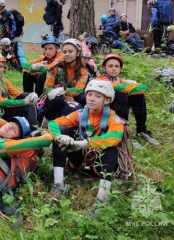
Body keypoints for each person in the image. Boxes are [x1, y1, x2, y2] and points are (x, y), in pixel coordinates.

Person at [46, 80, 124, 210]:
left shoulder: (112, 117)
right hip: (81, 160)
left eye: (98, 96)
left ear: (107, 100)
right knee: (62, 134)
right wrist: (60, 136)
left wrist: (86, 143)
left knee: (110, 146)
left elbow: (115, 136)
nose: (92, 99)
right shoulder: (80, 114)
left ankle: (102, 198)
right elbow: (54, 123)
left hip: (101, 163)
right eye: (89, 95)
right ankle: (59, 184)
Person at [97, 54, 159, 145]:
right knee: (122, 93)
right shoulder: (101, 79)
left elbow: (142, 89)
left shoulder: (119, 80)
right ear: (104, 68)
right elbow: (121, 87)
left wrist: (131, 86)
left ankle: (141, 130)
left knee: (138, 95)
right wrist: (131, 86)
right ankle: (123, 134)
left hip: (115, 110)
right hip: (103, 114)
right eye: (110, 66)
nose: (114, 68)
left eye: (117, 66)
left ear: (120, 69)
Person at [0, 52, 39, 127]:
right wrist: (24, 102)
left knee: (27, 98)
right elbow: (1, 102)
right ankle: (34, 129)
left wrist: (31, 95)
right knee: (28, 106)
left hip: (4, 109)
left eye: (1, 66)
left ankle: (35, 125)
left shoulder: (3, 81)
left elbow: (16, 93)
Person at [41, 38, 89, 121]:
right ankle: (46, 123)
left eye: (70, 51)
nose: (67, 54)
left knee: (84, 98)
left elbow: (78, 90)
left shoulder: (83, 71)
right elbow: (46, 88)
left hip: (73, 96)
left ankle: (82, 122)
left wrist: (63, 90)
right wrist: (59, 93)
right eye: (64, 52)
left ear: (78, 53)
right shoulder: (55, 67)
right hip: (55, 97)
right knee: (58, 99)